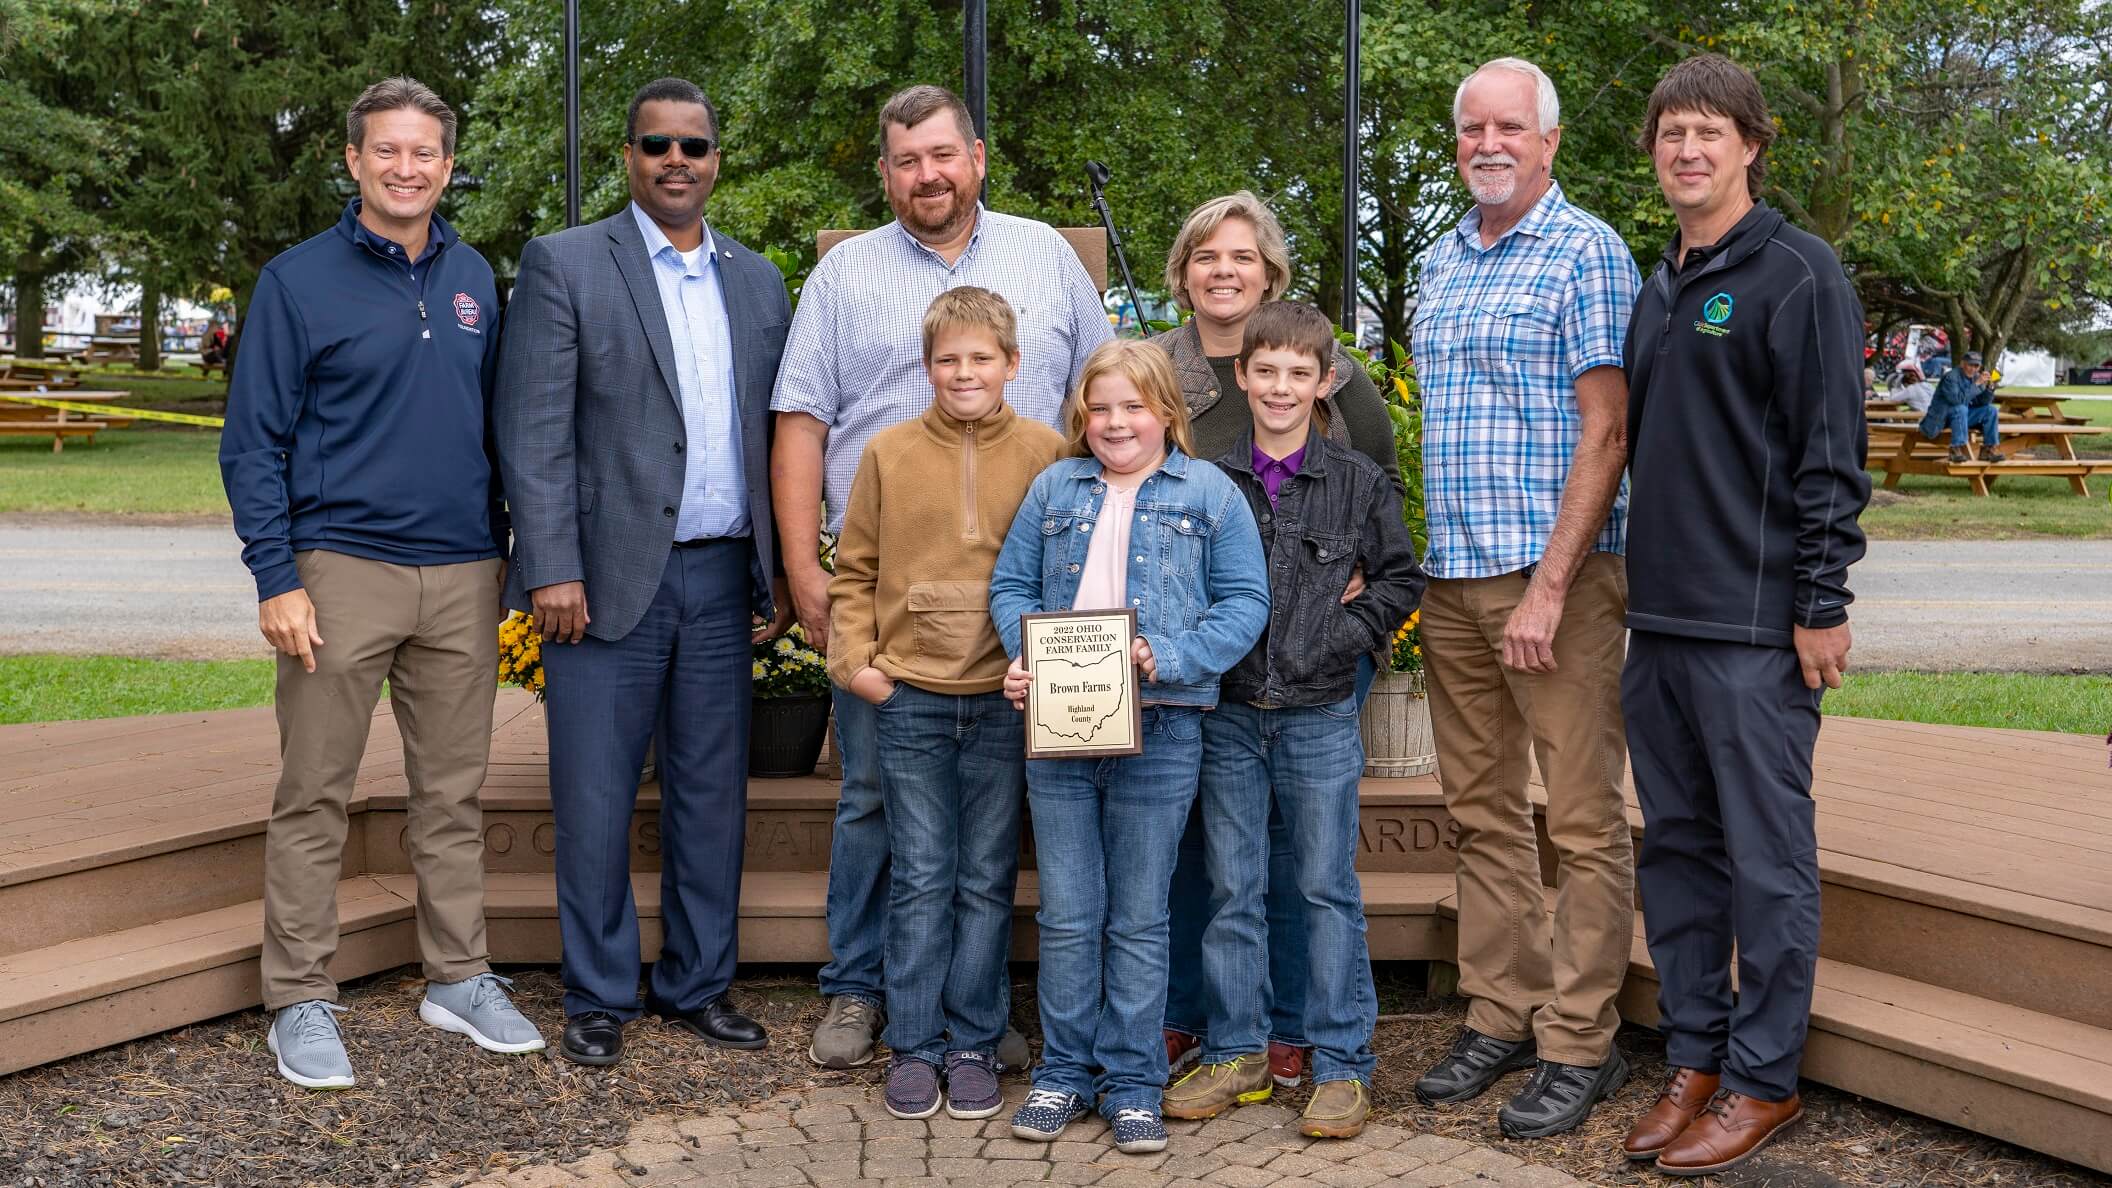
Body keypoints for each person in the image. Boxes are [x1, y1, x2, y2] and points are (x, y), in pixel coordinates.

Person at [771, 83, 1113, 1072]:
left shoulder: (1045, 257)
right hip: (893, 598)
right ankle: (859, 990)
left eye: (942, 155)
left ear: (977, 157)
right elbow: (802, 420)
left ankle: (979, 1010)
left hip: (1029, 600)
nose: (927, 175)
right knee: (878, 799)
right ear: (886, 173)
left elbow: (1103, 394)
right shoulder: (845, 278)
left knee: (1004, 810)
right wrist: (805, 570)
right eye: (907, 160)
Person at [220, 77, 540, 1089]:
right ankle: (300, 997)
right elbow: (251, 443)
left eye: (425, 153)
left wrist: (511, 558)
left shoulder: (476, 277)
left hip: (461, 572)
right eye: (386, 152)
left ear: (449, 164)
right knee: (315, 792)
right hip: (339, 569)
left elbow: (499, 432)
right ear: (354, 162)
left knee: (452, 794)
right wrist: (277, 576)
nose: (407, 169)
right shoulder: (296, 282)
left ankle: (459, 975)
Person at [494, 77, 793, 1068]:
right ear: (629, 156)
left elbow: (776, 437)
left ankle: (700, 982)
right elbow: (532, 435)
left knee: (713, 795)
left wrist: (780, 572)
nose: (676, 161)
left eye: (694, 147)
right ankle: (599, 992)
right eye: (656, 145)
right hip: (600, 582)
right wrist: (550, 567)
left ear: (716, 161)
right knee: (593, 795)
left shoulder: (759, 281)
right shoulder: (567, 263)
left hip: (719, 581)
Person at [1618, 54, 1869, 1176]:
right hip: (1659, 624)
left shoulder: (1798, 275)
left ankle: (1765, 1079)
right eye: (1672, 133)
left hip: (1758, 629)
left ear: (1754, 145)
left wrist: (1822, 603)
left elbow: (1830, 460)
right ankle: (1699, 1055)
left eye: (1710, 132)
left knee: (1767, 863)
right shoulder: (1660, 281)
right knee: (1676, 852)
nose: (1688, 150)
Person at [1406, 57, 1641, 1138]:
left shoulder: (1587, 252)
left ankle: (1579, 1036)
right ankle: (1501, 1008)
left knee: (1584, 819)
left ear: (1549, 141)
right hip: (1452, 582)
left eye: (1509, 127)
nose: (1487, 143)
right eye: (1470, 128)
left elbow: (1609, 430)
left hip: (1558, 583)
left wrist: (1550, 588)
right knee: (1483, 812)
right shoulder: (1442, 259)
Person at [989, 339, 1268, 1154]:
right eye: (1101, 408)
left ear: (1167, 415)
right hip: (1061, 725)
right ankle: (1064, 1073)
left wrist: (1172, 654)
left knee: (1140, 916)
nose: (1116, 423)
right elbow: (1011, 585)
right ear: (1083, 416)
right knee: (1071, 913)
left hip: (1165, 722)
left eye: (1133, 408)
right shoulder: (1054, 488)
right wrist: (1027, 656)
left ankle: (1134, 1080)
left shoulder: (1209, 493)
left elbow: (1246, 600)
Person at [1153, 192, 1401, 1092]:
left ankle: (1311, 1035)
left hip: (1318, 657)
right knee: (1216, 860)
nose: (1225, 271)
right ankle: (1224, 1029)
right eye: (1207, 256)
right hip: (1218, 663)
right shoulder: (1161, 370)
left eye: (1244, 257)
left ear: (1271, 274)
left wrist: (1354, 614)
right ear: (1183, 272)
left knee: (1308, 865)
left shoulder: (1326, 370)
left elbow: (1383, 488)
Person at [826, 286, 1067, 1121]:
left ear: (1012, 364)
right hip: (910, 698)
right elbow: (854, 572)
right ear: (927, 367)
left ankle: (974, 1038)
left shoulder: (1046, 451)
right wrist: (858, 665)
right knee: (921, 875)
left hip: (1004, 699)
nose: (965, 372)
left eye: (981, 358)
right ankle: (915, 1044)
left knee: (986, 875)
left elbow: (1066, 567)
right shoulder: (889, 453)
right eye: (948, 359)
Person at [1920, 350, 2003, 463]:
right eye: (1970, 365)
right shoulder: (1951, 377)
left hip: (1961, 417)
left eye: (1976, 366)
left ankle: (1988, 450)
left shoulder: (1976, 378)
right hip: (1941, 419)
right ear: (1962, 364)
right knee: (1961, 408)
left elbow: (1982, 402)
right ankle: (1956, 450)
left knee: (1991, 410)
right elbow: (1957, 400)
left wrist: (1990, 388)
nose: (1973, 369)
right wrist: (1977, 384)